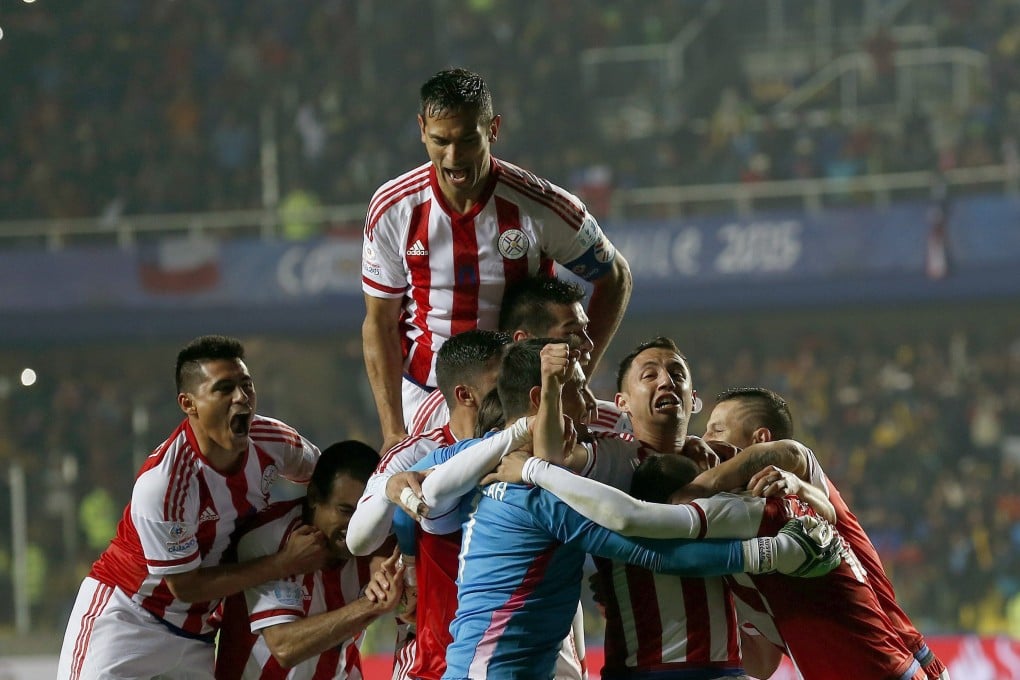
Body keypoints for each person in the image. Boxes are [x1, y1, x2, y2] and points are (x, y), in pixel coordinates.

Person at [396, 338, 839, 679]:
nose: (666, 381)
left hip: (722, 667)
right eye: (649, 374)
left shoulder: (725, 459)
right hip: (638, 669)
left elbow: (827, 517)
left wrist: (796, 483)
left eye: (677, 373)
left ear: (692, 398)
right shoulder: (609, 457)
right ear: (622, 405)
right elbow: (558, 464)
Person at [361, 67, 632, 455]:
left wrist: (577, 376)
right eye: (440, 141)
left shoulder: (540, 207)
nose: (453, 157)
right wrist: (391, 430)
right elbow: (380, 324)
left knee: (627, 439)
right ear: (422, 129)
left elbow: (616, 278)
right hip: (433, 392)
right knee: (448, 481)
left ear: (493, 129)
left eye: (467, 139)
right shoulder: (394, 208)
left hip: (524, 390)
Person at [58, 335, 329, 680]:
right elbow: (185, 586)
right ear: (189, 403)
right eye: (224, 388)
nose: (241, 398)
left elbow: (328, 484)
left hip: (197, 634)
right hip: (128, 618)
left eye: (246, 385)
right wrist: (282, 562)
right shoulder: (166, 482)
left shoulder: (274, 441)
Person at [694, 387, 950, 680]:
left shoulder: (799, 488)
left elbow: (792, 453)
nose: (705, 441)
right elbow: (762, 662)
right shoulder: (742, 537)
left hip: (897, 659)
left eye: (716, 430)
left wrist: (695, 487)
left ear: (760, 440)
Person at [346, 329, 511, 680]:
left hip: (517, 650)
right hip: (437, 654)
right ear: (465, 394)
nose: (511, 390)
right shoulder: (414, 454)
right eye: (501, 382)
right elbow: (358, 541)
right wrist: (388, 488)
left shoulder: (524, 439)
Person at [214, 440, 405, 680]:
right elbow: (284, 647)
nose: (356, 525)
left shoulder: (379, 538)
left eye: (363, 512)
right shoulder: (269, 539)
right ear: (314, 497)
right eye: (345, 511)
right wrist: (370, 605)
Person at [409, 274, 627, 437]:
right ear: (524, 340)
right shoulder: (443, 411)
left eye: (585, 331)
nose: (588, 345)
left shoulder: (607, 419)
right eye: (570, 333)